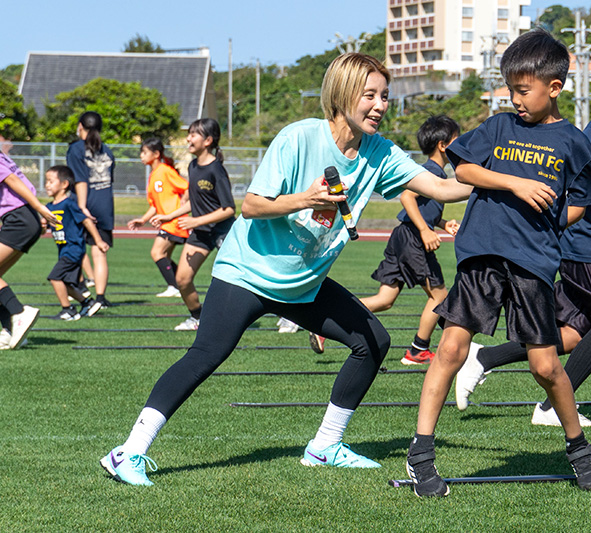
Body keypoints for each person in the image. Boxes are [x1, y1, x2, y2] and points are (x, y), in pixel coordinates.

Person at [99, 52, 472, 486]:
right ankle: (127, 452)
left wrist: (504, 176)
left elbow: (444, 186)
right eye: (369, 94)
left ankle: (324, 447)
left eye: (385, 96)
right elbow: (253, 206)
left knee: (373, 341)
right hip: (247, 274)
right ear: (341, 94)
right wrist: (305, 200)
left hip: (303, 285)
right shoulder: (298, 138)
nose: (380, 105)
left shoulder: (380, 151)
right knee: (207, 355)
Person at [406, 30, 591, 498]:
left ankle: (579, 449)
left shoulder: (573, 143)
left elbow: (583, 201)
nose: (515, 99)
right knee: (452, 350)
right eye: (510, 90)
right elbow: (464, 169)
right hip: (482, 253)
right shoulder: (499, 127)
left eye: (523, 91)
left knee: (545, 366)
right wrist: (516, 184)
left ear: (554, 88)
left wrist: (556, 221)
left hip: (534, 263)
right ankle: (421, 455)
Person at [454, 37, 591, 429]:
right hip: (585, 239)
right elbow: (582, 185)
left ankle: (485, 357)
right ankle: (551, 409)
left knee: (572, 333)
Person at [353, 115, 461, 365]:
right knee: (439, 296)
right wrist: (424, 230)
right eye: (458, 140)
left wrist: (443, 224)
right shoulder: (430, 171)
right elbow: (407, 198)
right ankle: (417, 350)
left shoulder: (438, 174)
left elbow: (423, 209)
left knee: (385, 300)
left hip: (403, 235)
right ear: (443, 145)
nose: (462, 145)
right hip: (412, 238)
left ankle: (328, 319)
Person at [149, 119, 236, 331]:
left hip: (223, 231)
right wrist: (167, 216)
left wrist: (196, 220)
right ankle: (198, 317)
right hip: (201, 232)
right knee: (182, 279)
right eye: (188, 134)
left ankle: (288, 315)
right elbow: (193, 204)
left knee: (242, 282)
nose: (188, 138)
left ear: (207, 141)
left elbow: (229, 209)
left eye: (193, 134)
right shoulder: (193, 166)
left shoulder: (217, 170)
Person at [0, 136, 57, 348]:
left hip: (20, 219)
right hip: (24, 219)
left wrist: (40, 208)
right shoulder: (4, 157)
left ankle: (19, 312)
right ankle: (10, 331)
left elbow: (13, 182)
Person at [43, 166, 108, 320]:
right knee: (65, 283)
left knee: (55, 278)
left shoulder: (69, 204)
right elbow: (43, 227)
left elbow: (86, 221)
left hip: (74, 249)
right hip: (63, 250)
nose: (47, 185)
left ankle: (68, 309)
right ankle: (87, 303)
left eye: (51, 181)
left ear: (64, 184)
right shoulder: (49, 207)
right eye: (46, 181)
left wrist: (98, 241)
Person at [127, 138, 189, 298]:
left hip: (174, 222)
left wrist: (184, 200)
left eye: (144, 152)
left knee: (157, 253)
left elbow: (187, 186)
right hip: (166, 222)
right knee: (164, 256)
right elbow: (155, 205)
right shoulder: (154, 175)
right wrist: (142, 220)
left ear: (156, 154)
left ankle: (174, 286)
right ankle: (182, 284)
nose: (141, 155)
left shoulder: (166, 171)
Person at [66, 111, 114, 308]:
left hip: (83, 204)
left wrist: (82, 206)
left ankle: (78, 288)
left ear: (80, 126)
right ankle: (101, 298)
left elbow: (80, 181)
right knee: (99, 251)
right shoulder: (107, 150)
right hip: (104, 205)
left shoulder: (76, 149)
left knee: (74, 248)